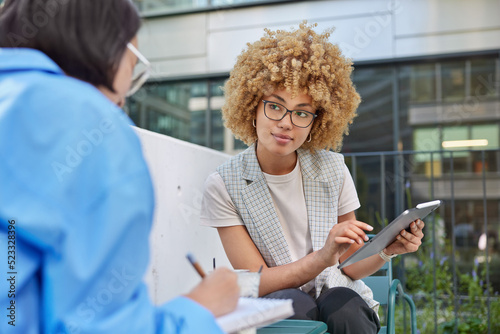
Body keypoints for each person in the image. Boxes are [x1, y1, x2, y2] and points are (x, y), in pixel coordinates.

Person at [0, 0, 238, 333]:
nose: (125, 98)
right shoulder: (91, 124)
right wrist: (200, 308)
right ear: (103, 48)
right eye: (134, 63)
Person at [200, 22, 425, 333]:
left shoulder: (332, 170)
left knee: (343, 305)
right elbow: (258, 280)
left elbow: (349, 265)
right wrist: (321, 257)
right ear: (252, 107)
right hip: (275, 302)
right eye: (275, 106)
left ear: (316, 122)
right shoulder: (223, 184)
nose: (286, 123)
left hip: (338, 294)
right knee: (296, 306)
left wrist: (388, 249)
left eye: (301, 112)